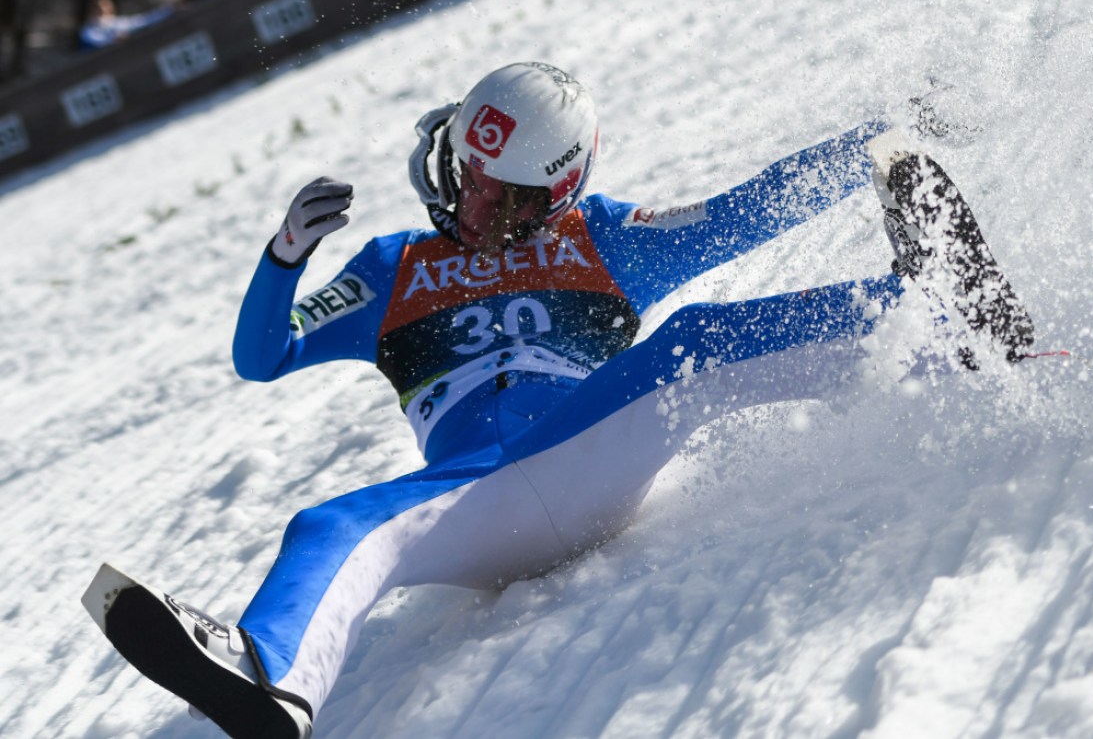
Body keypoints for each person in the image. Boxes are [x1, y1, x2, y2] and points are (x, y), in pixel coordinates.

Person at [83, 62, 1030, 739]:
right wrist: (282, 257)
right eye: (472, 184)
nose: (478, 211)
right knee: (329, 527)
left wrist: (886, 138)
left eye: (509, 201)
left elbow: (745, 211)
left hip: (592, 451)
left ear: (562, 191)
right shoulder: (387, 268)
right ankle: (273, 687)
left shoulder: (605, 237)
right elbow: (262, 359)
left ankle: (944, 323)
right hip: (471, 499)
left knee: (690, 345)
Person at [77, 0, 174, 50]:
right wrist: (113, 39)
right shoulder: (87, 30)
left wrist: (168, 9)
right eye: (98, 9)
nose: (102, 11)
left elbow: (142, 21)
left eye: (106, 7)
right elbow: (98, 41)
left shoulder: (116, 23)